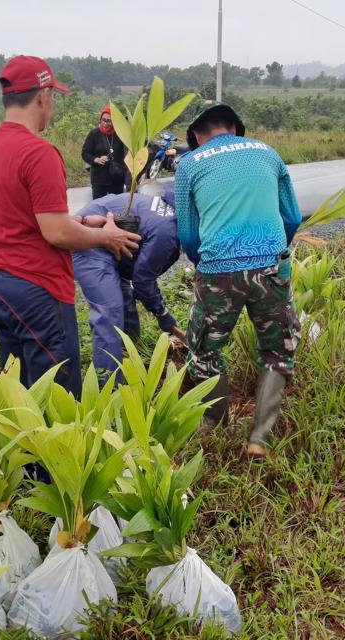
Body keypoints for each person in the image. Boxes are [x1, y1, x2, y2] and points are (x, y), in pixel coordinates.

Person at [0, 56, 139, 394]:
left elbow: (21, 215)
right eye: (54, 96)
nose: (53, 104)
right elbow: (57, 233)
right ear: (42, 95)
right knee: (59, 396)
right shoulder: (38, 152)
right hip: (38, 288)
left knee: (19, 393)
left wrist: (78, 220)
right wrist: (104, 236)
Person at [174, 104, 301, 459]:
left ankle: (215, 425)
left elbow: (187, 233)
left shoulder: (191, 164)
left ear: (198, 135)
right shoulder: (268, 152)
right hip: (272, 266)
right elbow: (291, 216)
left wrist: (208, 264)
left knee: (205, 349)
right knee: (277, 350)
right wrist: (274, 251)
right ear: (234, 127)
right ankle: (260, 437)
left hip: (219, 269)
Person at [73, 182, 186, 380]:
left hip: (110, 234)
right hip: (92, 238)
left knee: (125, 305)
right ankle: (109, 389)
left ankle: (132, 365)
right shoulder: (167, 233)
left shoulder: (174, 213)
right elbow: (143, 280)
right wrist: (164, 316)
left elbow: (139, 276)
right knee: (109, 313)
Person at [81, 106, 129, 199]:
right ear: (100, 119)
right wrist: (96, 159)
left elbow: (126, 154)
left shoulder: (120, 134)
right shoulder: (94, 134)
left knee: (116, 208)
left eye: (109, 121)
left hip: (117, 179)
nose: (106, 123)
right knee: (99, 208)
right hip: (99, 179)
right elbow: (85, 153)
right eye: (104, 120)